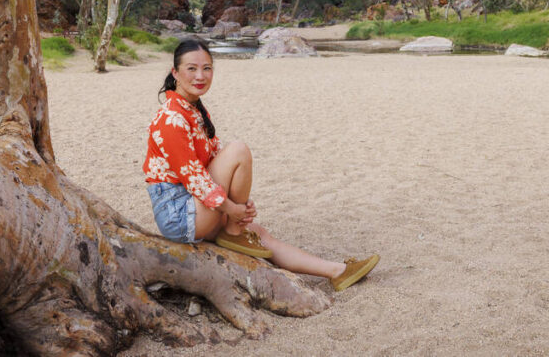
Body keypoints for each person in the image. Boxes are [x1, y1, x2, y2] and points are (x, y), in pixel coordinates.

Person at [143, 38, 378, 292]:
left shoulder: (194, 109)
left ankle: (337, 272)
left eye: (207, 68)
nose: (200, 76)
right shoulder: (171, 118)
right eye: (192, 69)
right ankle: (233, 230)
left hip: (196, 204)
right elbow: (195, 179)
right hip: (179, 214)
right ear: (175, 73)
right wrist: (232, 208)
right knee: (239, 150)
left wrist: (238, 204)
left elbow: (211, 162)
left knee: (261, 235)